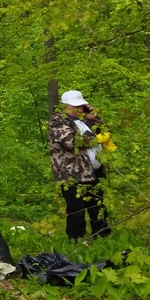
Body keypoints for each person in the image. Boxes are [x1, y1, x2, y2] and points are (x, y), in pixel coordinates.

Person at [48, 90, 111, 241]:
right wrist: (97, 140)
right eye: (76, 106)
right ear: (66, 106)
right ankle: (76, 241)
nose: (79, 109)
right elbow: (72, 141)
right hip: (72, 173)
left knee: (98, 206)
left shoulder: (83, 120)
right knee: (76, 210)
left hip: (91, 172)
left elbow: (105, 131)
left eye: (81, 106)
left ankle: (103, 238)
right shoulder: (58, 121)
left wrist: (95, 118)